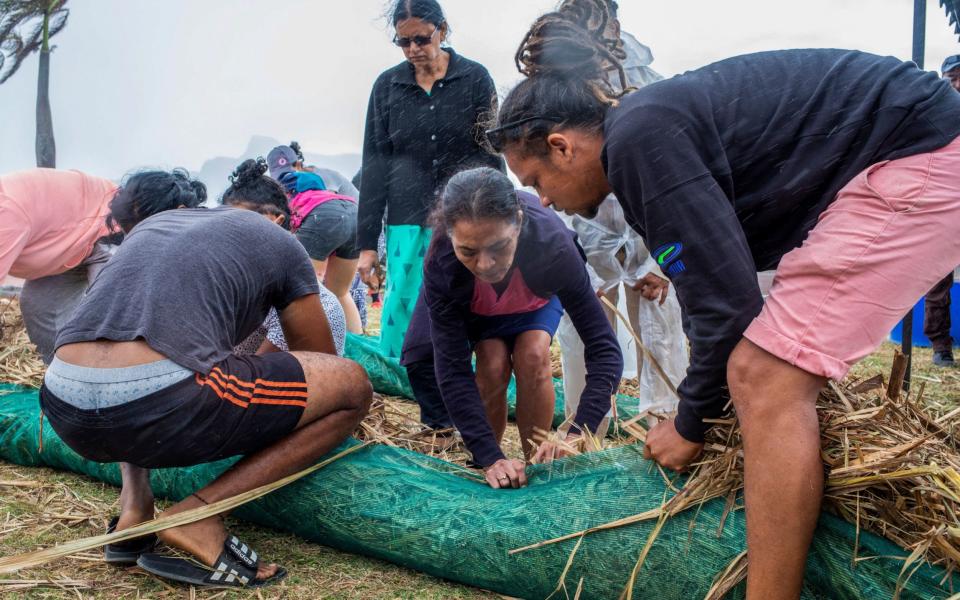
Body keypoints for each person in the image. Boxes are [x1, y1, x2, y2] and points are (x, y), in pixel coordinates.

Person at [487, 1, 960, 595]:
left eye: (535, 183)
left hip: (920, 152)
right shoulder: (644, 133)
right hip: (915, 146)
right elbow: (719, 289)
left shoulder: (638, 140)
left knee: (765, 377)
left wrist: (689, 423)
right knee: (760, 370)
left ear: (561, 147)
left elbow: (727, 308)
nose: (546, 202)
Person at [40, 172, 372, 588]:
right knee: (352, 387)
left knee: (146, 351)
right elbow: (320, 361)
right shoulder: (280, 243)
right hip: (161, 404)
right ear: (281, 218)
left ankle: (134, 506)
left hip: (62, 403)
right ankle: (197, 516)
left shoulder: (154, 229)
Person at [416, 167, 623, 488]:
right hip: (479, 307)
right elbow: (452, 368)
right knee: (492, 360)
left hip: (532, 297)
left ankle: (535, 460)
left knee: (533, 354)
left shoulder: (553, 246)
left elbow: (605, 350)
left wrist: (576, 434)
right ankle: (487, 458)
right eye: (468, 251)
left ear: (519, 222)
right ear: (450, 235)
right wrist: (488, 457)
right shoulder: (442, 262)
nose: (485, 265)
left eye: (498, 247)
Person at [358, 0, 504, 359]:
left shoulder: (474, 78)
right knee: (403, 305)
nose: (412, 50)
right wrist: (366, 246)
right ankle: (407, 378)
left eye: (421, 39)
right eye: (403, 42)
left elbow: (491, 151)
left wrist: (503, 219)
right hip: (407, 218)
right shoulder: (387, 86)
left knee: (464, 300)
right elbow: (374, 165)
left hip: (465, 217)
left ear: (442, 30)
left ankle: (462, 379)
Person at [223, 158, 347, 356]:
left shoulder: (314, 300)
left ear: (276, 222)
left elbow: (259, 368)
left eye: (241, 224)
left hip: (288, 379)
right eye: (225, 225)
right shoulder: (242, 280)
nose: (231, 235)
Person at [0, 169, 118, 362]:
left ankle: (116, 376)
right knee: (39, 305)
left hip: (107, 226)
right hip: (60, 244)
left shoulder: (6, 214)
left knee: (108, 312)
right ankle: (59, 371)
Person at [267, 145, 363, 334]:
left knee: (304, 290)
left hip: (325, 216)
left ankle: (313, 342)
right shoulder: (314, 179)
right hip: (355, 214)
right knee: (340, 292)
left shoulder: (278, 192)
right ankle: (356, 347)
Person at [924, 54, 960, 368]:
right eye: (954, 76)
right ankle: (940, 346)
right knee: (938, 282)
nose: (959, 83)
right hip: (944, 208)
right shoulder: (933, 115)